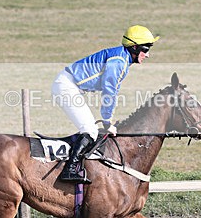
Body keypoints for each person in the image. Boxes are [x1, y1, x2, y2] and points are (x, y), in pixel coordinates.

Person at [52, 25, 159, 183]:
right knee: (89, 130)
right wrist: (107, 122)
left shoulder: (122, 58)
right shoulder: (119, 61)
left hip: (69, 86)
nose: (147, 55)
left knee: (90, 130)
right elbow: (109, 92)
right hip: (67, 87)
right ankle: (69, 169)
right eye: (146, 49)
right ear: (134, 47)